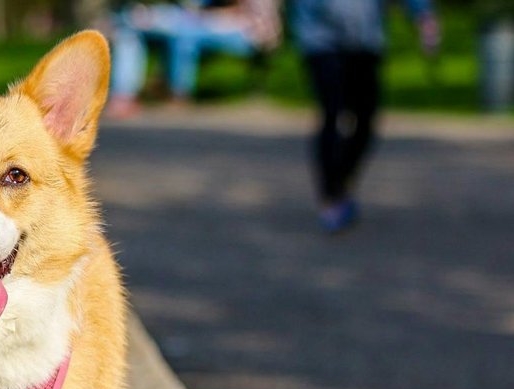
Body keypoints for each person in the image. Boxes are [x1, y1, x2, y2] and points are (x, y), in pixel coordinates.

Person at [291, 0, 441, 233]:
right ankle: (331, 197)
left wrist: (423, 16)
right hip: (320, 39)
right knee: (332, 112)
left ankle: (341, 183)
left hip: (365, 40)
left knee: (366, 119)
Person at [108, 1, 281, 116]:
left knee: (184, 35)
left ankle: (177, 93)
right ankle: (124, 96)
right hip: (201, 21)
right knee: (128, 27)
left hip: (249, 29)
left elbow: (236, 11)